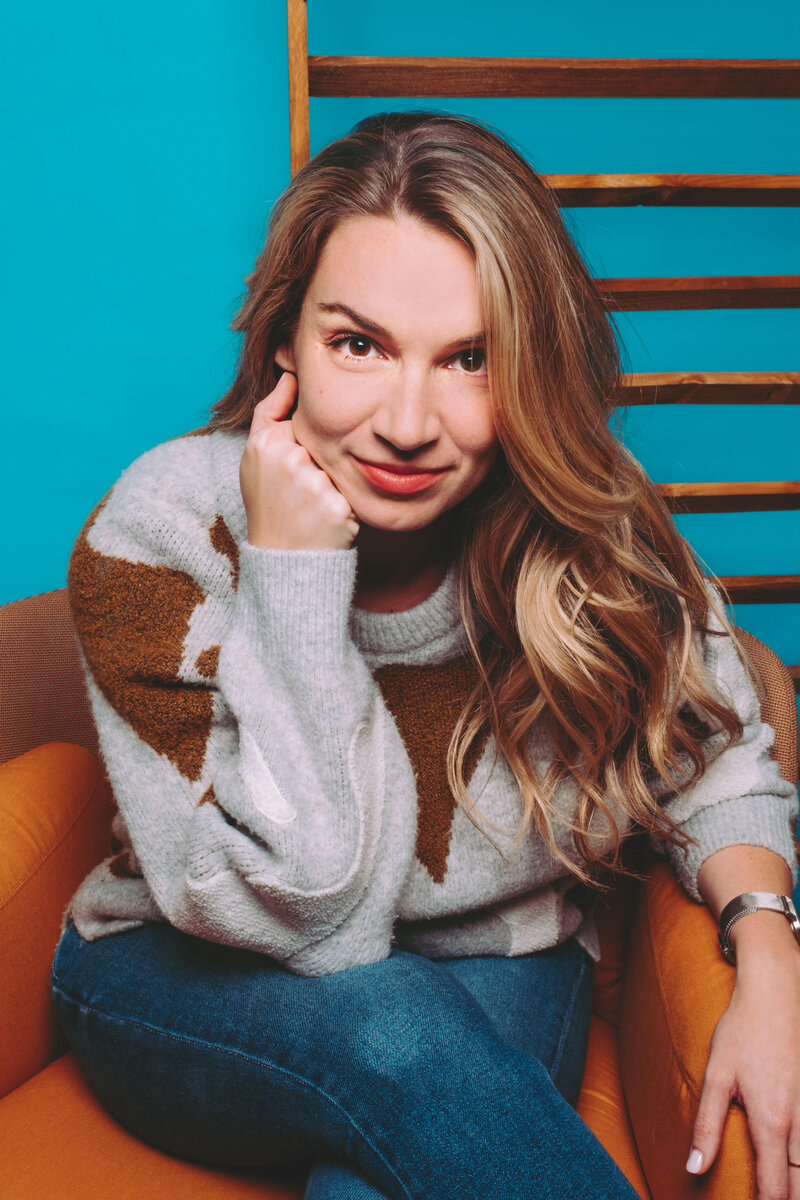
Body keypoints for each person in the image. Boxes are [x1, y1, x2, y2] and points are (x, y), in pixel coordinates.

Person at [52, 111, 799, 1200]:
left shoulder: (593, 540)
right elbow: (312, 909)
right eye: (357, 343)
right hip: (188, 981)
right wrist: (294, 579)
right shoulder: (162, 533)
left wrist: (769, 954)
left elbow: (717, 757)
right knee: (398, 1028)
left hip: (487, 970)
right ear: (282, 345)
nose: (406, 422)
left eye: (469, 360)